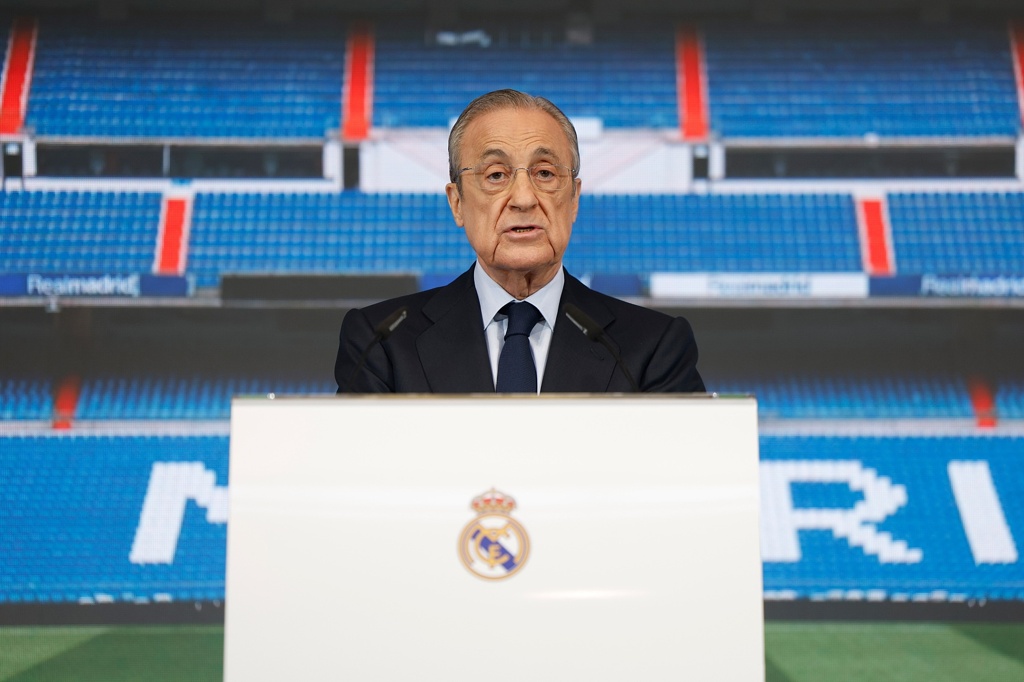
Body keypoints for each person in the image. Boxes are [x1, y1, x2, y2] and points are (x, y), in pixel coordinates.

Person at [335, 89, 704, 394]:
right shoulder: (381, 343)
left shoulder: (653, 346)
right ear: (457, 202)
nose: (524, 198)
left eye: (545, 173)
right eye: (496, 175)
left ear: (574, 199)